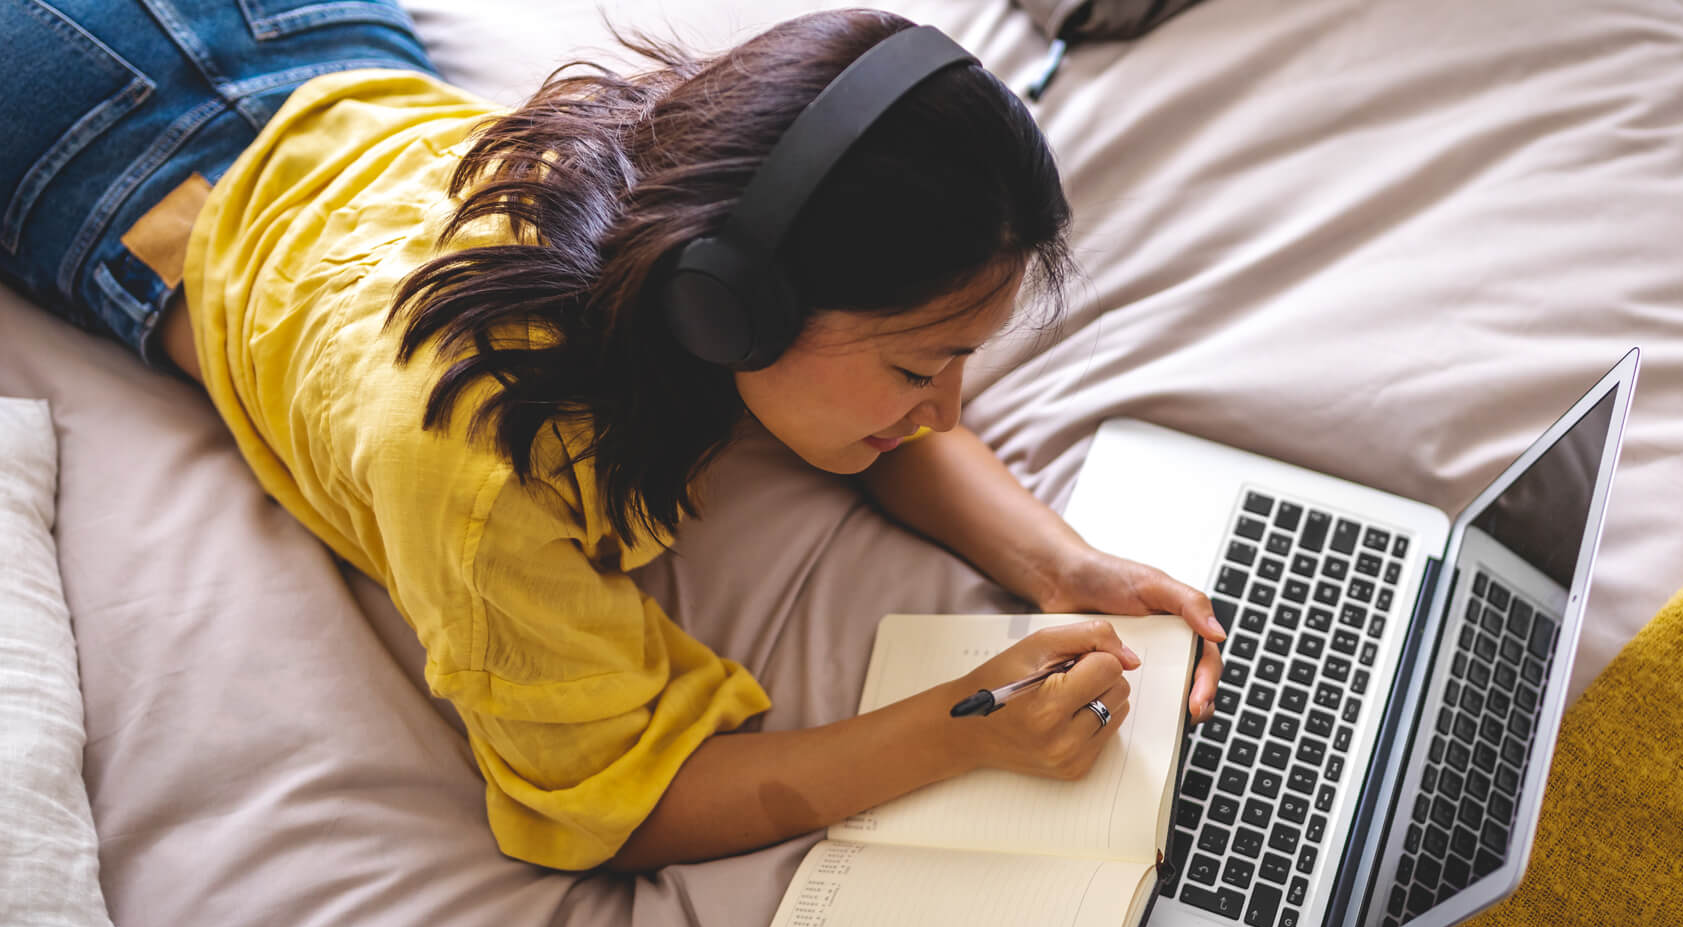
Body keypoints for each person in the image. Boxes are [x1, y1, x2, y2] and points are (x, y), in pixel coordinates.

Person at [1, 3, 1223, 873]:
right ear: (733, 306)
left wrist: (1060, 564)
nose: (946, 412)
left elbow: (878, 423)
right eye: (919, 365)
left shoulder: (706, 183)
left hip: (314, 41)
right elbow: (619, 807)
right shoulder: (479, 469)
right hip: (104, 161)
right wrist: (965, 727)